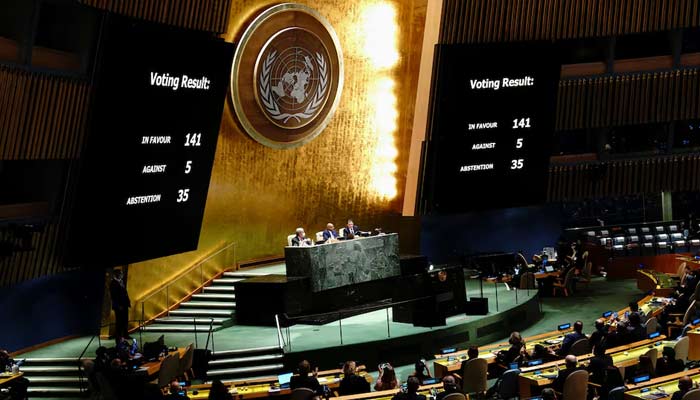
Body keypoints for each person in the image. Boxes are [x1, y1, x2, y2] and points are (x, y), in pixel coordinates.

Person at [110, 268, 131, 340]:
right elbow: (114, 296)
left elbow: (125, 293)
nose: (122, 275)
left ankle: (125, 335)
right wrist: (118, 306)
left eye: (122, 273)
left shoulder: (121, 282)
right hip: (119, 306)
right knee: (119, 321)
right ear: (116, 274)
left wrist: (128, 302)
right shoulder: (113, 283)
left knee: (125, 320)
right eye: (121, 273)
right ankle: (118, 336)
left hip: (125, 305)